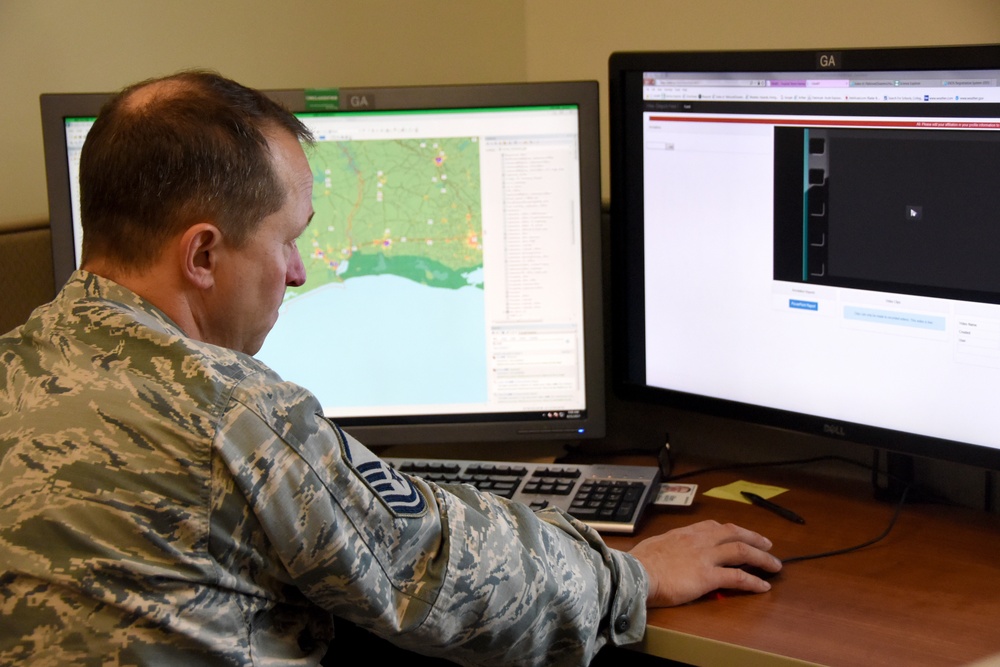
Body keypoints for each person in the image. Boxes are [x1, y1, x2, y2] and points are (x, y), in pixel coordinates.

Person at [0, 70, 781, 666]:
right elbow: (435, 569)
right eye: (286, 239)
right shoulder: (230, 411)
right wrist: (629, 578)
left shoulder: (15, 364)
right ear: (204, 253)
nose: (300, 271)